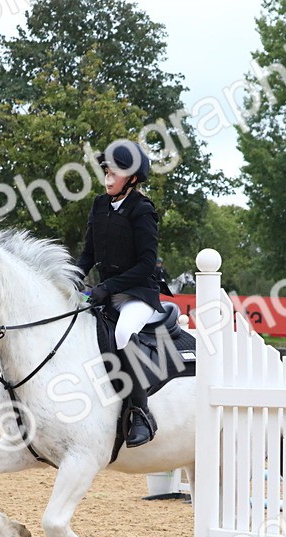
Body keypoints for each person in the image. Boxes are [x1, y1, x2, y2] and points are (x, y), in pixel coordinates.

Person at [74, 139, 170, 447]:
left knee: (123, 332)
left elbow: (145, 265)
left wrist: (106, 288)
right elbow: (88, 253)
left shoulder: (142, 210)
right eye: (105, 171)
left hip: (138, 294)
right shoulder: (100, 205)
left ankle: (141, 412)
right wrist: (73, 279)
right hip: (106, 293)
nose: (107, 178)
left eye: (114, 172)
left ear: (131, 177)